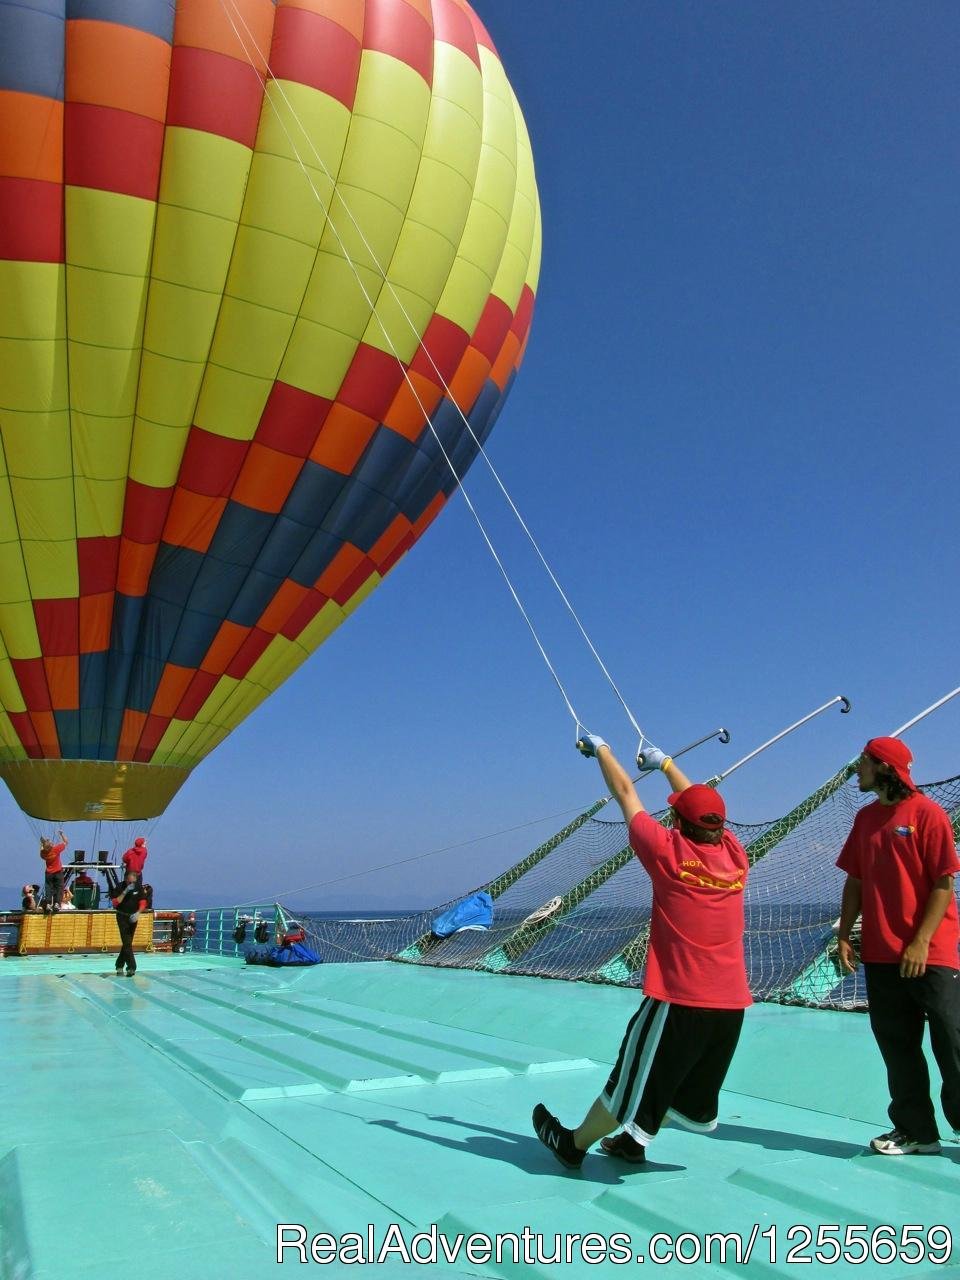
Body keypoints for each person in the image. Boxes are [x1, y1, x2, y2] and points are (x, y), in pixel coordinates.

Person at [532, 734, 752, 1169]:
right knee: (673, 1080)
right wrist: (666, 763)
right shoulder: (734, 856)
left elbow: (626, 793)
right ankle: (635, 1143)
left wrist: (601, 749)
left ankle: (572, 1145)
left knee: (628, 1080)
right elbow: (699, 805)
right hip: (731, 1005)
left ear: (675, 820)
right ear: (720, 827)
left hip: (680, 1000)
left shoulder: (667, 852)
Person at [836, 736, 960, 1156]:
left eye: (863, 763)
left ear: (884, 768)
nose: (858, 770)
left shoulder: (928, 814)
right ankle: (917, 1131)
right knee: (897, 1045)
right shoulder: (865, 820)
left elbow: (944, 882)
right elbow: (855, 879)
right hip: (881, 953)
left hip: (932, 952)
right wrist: (844, 934)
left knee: (952, 1040)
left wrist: (921, 941)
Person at [111, 870, 148, 977]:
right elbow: (115, 902)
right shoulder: (119, 887)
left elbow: (143, 902)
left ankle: (119, 965)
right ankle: (131, 967)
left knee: (127, 942)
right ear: (126, 879)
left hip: (133, 917)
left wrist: (138, 912)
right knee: (127, 942)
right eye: (129, 882)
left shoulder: (138, 888)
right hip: (122, 916)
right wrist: (125, 891)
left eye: (133, 882)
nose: (131, 884)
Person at [39, 830, 67, 912]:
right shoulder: (56, 849)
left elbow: (42, 850)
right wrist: (62, 834)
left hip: (49, 873)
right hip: (58, 872)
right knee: (59, 888)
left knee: (48, 888)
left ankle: (48, 904)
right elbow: (66, 842)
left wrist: (42, 844)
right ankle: (56, 904)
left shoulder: (43, 853)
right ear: (51, 845)